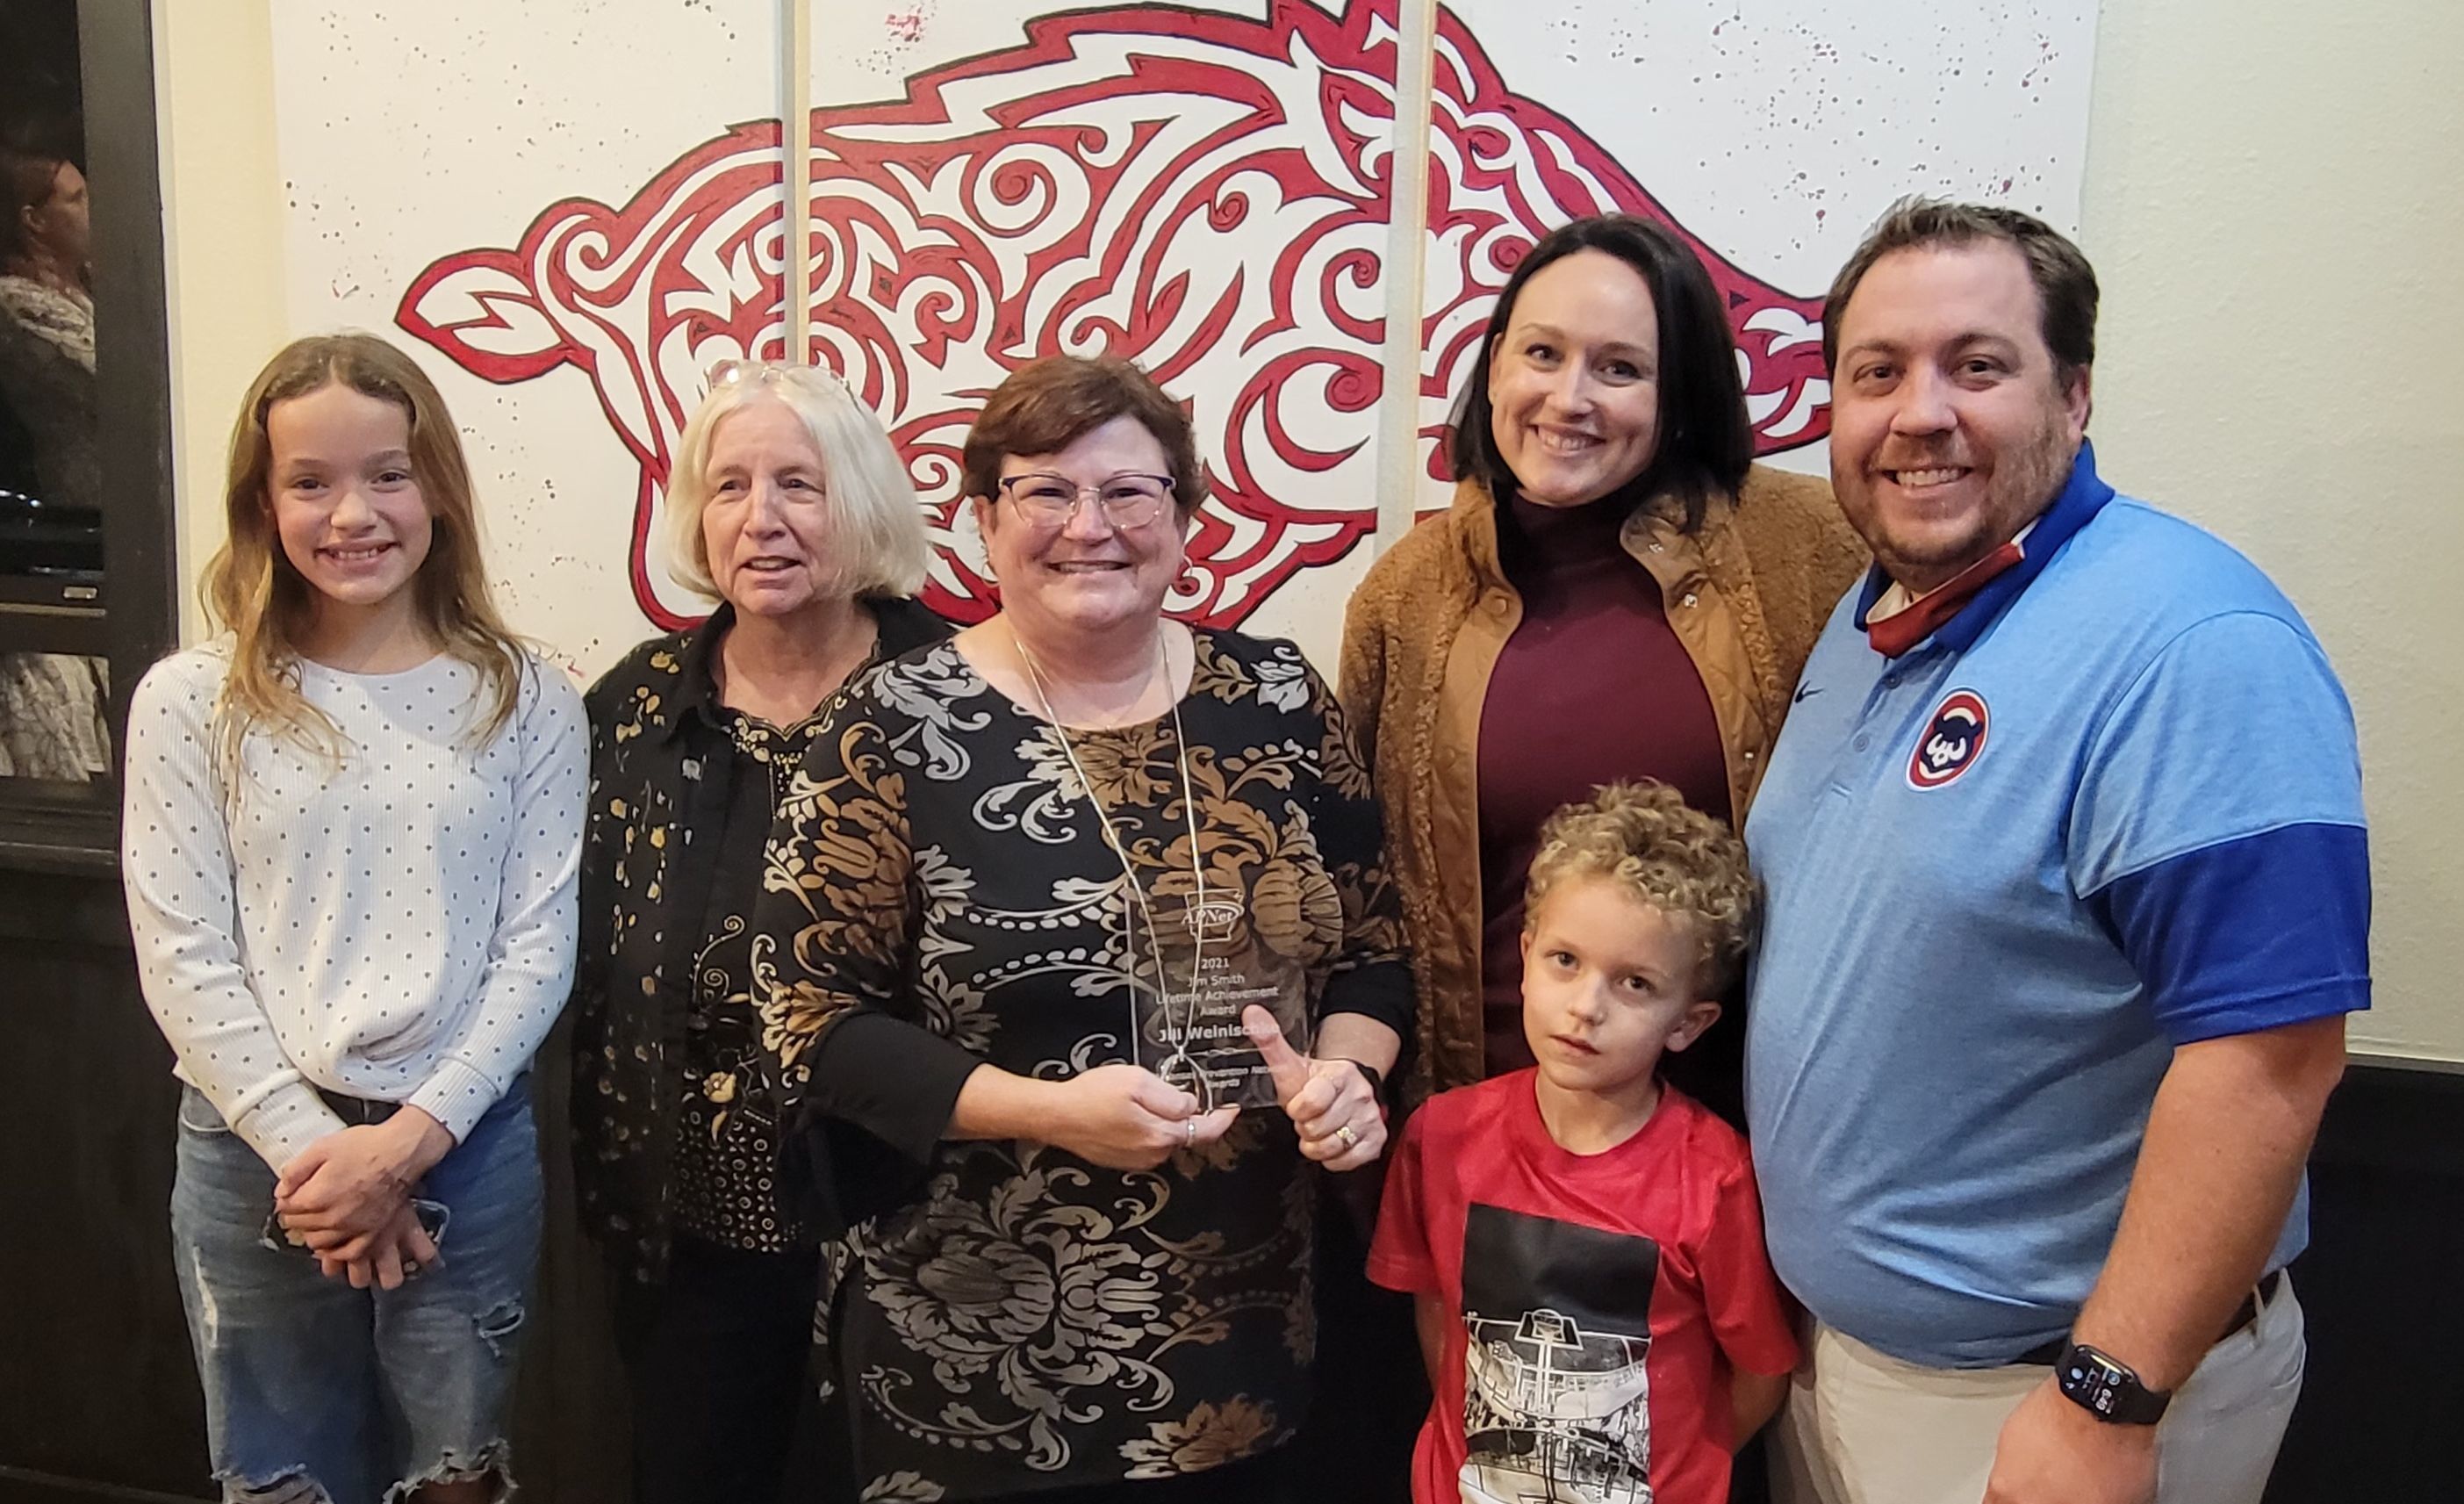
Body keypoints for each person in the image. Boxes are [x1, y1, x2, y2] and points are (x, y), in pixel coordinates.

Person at [1744, 198, 2367, 1504]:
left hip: (2053, 1398)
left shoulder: (2192, 645)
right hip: (1846, 1368)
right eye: (1876, 372)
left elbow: (2269, 1061)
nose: (1919, 414)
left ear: (2072, 395)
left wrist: (2104, 1399)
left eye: (1976, 365)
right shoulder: (1874, 617)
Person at [751, 354, 1412, 1502]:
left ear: (1185, 517)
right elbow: (810, 1022)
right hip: (973, 1350)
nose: (1087, 527)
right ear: (981, 521)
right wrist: (1054, 1115)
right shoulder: (890, 721)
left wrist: (1349, 1078)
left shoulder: (1277, 697)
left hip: (1248, 1329)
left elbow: (1373, 953)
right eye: (1044, 491)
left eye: (1128, 492)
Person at [120, 333, 587, 1503]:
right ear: (262, 501)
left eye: (387, 472)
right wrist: (321, 1162)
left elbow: (536, 947)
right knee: (281, 1478)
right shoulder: (191, 700)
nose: (353, 513)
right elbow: (183, 956)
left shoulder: (527, 696)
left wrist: (402, 1147)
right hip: (253, 1161)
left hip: (463, 1147)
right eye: (309, 481)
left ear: (436, 486)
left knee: (458, 1473)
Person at [1339, 213, 1865, 1119]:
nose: (1568, 398)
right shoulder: (1404, 599)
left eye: (1618, 368)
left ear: (1679, 395)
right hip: (1481, 1150)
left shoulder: (1812, 550)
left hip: (1750, 1154)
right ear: (1496, 362)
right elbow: (1359, 894)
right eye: (1541, 353)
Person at [567, 359, 948, 1502]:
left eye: (799, 483)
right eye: (728, 486)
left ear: (862, 506)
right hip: (690, 1229)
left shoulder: (961, 693)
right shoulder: (634, 707)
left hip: (915, 1218)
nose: (761, 517)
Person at [1369, 781, 1798, 1504]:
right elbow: (1438, 1313)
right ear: (1526, 953)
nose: (1585, 1007)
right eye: (1565, 960)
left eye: (1633, 982)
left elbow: (1757, 1375)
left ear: (1687, 1022)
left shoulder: (1715, 1175)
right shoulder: (1440, 1136)